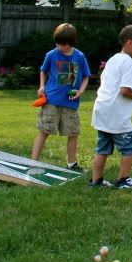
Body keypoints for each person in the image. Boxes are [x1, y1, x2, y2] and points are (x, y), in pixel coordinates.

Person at [90, 24, 132, 190]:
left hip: (102, 110)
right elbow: (125, 90)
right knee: (130, 147)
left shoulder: (113, 59)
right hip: (117, 115)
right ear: (130, 43)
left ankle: (96, 181)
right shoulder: (129, 63)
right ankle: (123, 180)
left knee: (102, 148)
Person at [32, 23, 90, 170]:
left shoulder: (80, 56)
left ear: (69, 43)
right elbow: (43, 71)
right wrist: (42, 86)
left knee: (73, 133)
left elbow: (85, 77)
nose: (58, 46)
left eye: (61, 44)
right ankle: (33, 162)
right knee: (44, 131)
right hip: (51, 101)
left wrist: (81, 92)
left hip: (70, 103)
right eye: (57, 42)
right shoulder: (51, 55)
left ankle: (72, 164)